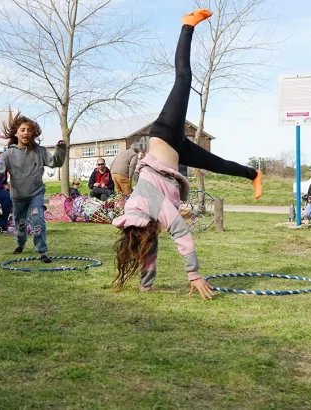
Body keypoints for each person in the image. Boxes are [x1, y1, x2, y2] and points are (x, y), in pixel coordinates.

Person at [111, 9, 262, 300]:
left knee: (183, 77)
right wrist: (146, 284)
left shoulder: (152, 208)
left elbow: (182, 235)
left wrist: (194, 275)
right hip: (176, 152)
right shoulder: (140, 219)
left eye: (149, 235)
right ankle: (254, 174)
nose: (153, 238)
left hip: (165, 133)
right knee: (217, 164)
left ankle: (186, 26)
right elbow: (149, 250)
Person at [0, 114, 67, 262]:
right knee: (21, 224)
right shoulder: (8, 154)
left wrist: (61, 149)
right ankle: (20, 243)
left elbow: (55, 163)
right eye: (22, 129)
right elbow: (0, 168)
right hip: (18, 196)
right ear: (16, 133)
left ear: (33, 133)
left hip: (36, 193)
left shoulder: (40, 151)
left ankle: (42, 251)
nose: (26, 132)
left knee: (38, 219)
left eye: (29, 130)